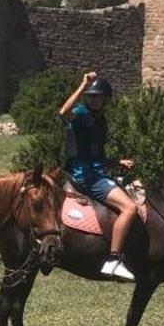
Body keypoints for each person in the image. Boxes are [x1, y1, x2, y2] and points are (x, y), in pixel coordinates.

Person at [60, 71, 137, 281]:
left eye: (97, 96)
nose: (93, 99)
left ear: (105, 100)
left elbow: (96, 156)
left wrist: (117, 162)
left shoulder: (100, 121)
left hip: (96, 171)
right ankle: (113, 260)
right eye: (90, 96)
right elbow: (64, 111)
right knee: (130, 208)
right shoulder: (82, 114)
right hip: (87, 176)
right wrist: (83, 84)